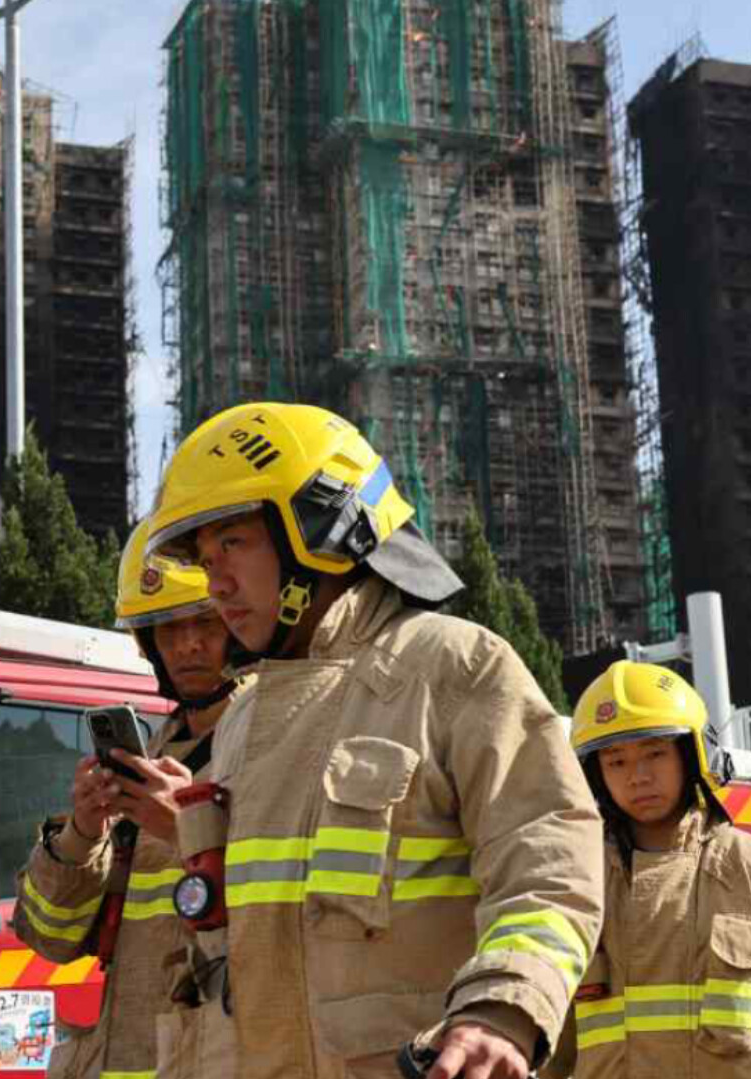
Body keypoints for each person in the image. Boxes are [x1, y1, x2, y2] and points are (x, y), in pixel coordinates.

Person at [141, 401, 604, 1079]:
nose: (216, 584)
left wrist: (502, 1007)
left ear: (323, 527)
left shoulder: (454, 667)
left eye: (233, 544)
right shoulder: (242, 721)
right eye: (206, 559)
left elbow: (549, 862)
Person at [560, 661, 751, 1079]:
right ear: (593, 775)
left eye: (655, 753)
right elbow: (542, 1053)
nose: (637, 776)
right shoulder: (578, 890)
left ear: (694, 754)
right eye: (616, 761)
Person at [11, 519, 244, 1079]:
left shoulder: (273, 742)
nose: (187, 644)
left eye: (204, 622)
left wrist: (185, 829)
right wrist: (82, 834)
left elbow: (295, 920)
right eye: (167, 629)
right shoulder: (154, 754)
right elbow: (51, 938)